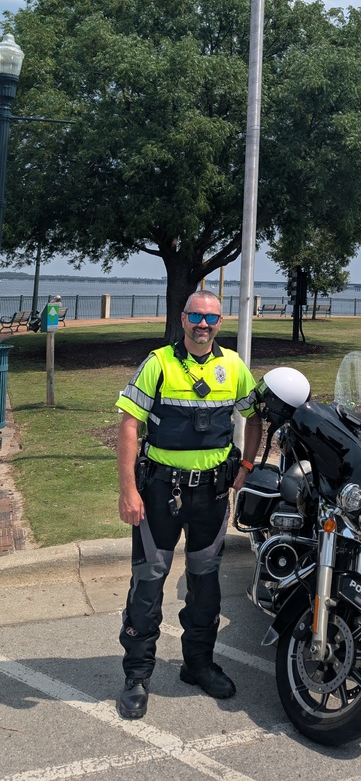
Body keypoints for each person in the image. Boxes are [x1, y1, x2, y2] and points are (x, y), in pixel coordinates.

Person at [115, 289, 263, 720]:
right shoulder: (158, 363)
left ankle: (197, 665)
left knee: (206, 583)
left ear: (220, 322)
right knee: (148, 582)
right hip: (160, 492)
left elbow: (255, 416)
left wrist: (247, 465)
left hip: (212, 495)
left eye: (211, 318)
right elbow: (129, 425)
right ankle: (137, 676)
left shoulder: (233, 365)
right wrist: (128, 490)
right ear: (182, 319)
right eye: (196, 316)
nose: (203, 324)